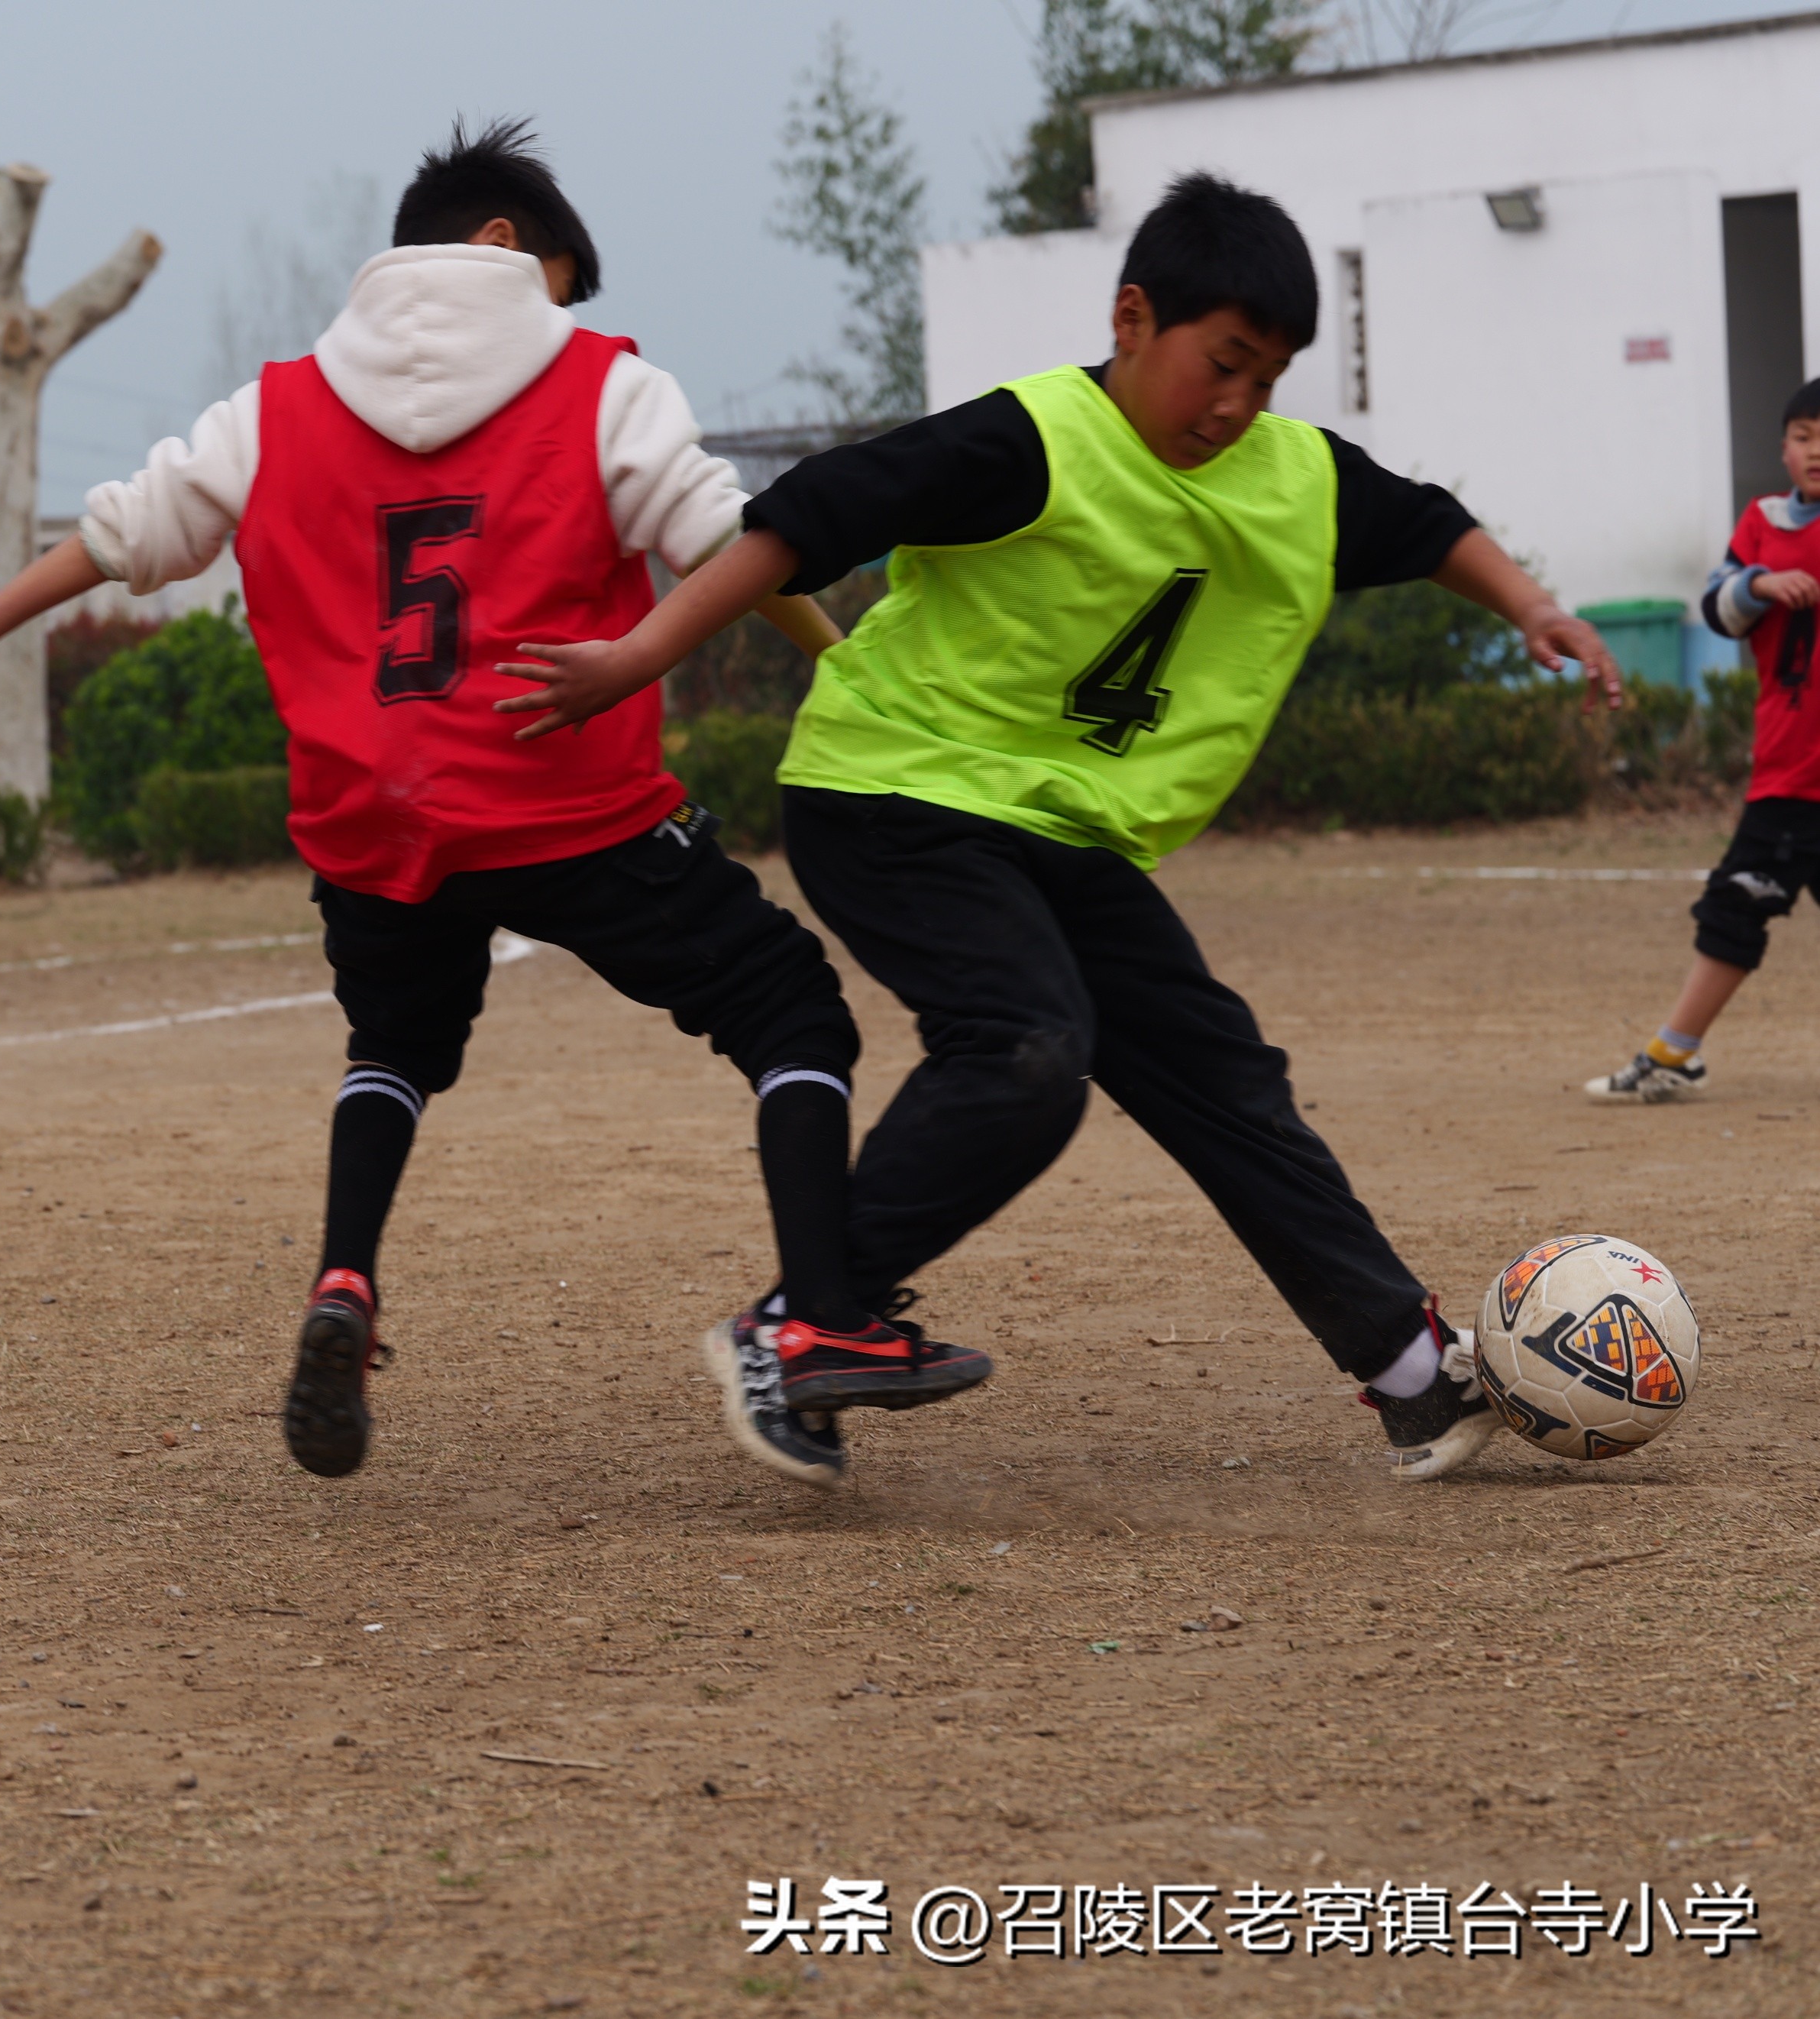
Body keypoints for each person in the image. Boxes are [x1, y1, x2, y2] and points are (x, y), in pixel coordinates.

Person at [0, 120, 989, 1487]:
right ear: (508, 247)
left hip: (376, 820)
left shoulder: (273, 406)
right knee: (789, 1008)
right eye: (570, 282)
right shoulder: (599, 385)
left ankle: (346, 1277)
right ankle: (820, 1320)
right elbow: (730, 543)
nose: (575, 314)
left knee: (393, 1043)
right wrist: (855, 665)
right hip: (569, 797)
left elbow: (119, 536)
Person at [497, 172, 1621, 1483]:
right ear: (1133, 318)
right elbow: (802, 520)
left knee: (1219, 1072)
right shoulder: (1032, 440)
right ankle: (807, 1315)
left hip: (1060, 830)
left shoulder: (1288, 475)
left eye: (1269, 377)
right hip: (896, 791)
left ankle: (1412, 1370)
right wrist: (638, 658)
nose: (1239, 404)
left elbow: (1422, 522)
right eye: (1224, 363)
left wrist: (1532, 606)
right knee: (1026, 1049)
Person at [1587, 379, 1820, 1104]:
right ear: (1782, 449)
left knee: (1731, 908)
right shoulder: (1763, 523)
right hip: (1788, 771)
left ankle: (1672, 1051)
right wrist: (1759, 584)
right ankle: (1673, 1055)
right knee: (1732, 909)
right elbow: (1720, 608)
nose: (1817, 451)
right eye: (1805, 437)